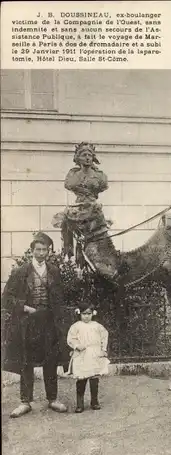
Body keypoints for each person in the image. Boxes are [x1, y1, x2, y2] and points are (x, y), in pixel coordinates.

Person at [2, 232, 68, 418]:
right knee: (26, 361)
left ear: (49, 251)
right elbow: (7, 298)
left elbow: (59, 297)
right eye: (38, 249)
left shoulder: (54, 271)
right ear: (32, 251)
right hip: (27, 323)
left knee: (51, 360)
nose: (41, 253)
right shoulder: (21, 272)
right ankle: (25, 402)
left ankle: (53, 399)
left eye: (44, 249)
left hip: (48, 322)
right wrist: (26, 308)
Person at [54, 142, 111, 259]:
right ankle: (70, 254)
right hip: (79, 208)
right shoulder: (72, 176)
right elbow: (69, 184)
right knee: (67, 224)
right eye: (84, 155)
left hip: (93, 208)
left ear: (93, 157)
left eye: (90, 155)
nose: (87, 158)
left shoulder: (100, 177)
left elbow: (103, 186)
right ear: (78, 158)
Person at [66, 302, 110, 413]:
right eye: (84, 314)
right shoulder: (76, 326)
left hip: (94, 354)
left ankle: (94, 402)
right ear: (79, 314)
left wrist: (103, 349)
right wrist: (77, 345)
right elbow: (71, 339)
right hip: (82, 355)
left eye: (89, 314)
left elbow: (104, 336)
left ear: (93, 314)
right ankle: (80, 404)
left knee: (94, 379)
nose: (86, 316)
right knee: (81, 379)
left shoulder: (97, 326)